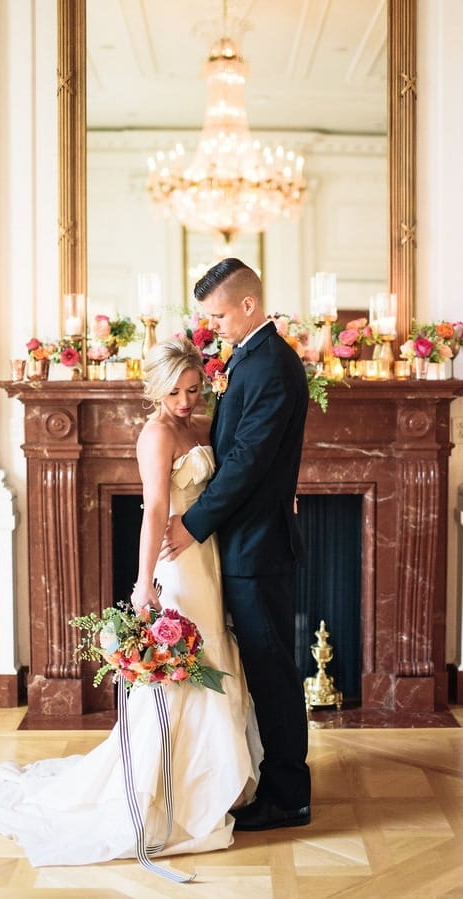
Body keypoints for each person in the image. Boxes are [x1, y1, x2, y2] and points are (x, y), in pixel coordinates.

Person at [0, 337, 261, 868]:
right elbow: (153, 513)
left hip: (208, 554)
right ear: (156, 389)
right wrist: (144, 581)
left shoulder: (198, 425)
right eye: (175, 392)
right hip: (177, 564)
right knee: (185, 671)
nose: (186, 401)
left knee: (215, 658)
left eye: (194, 390)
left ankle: (213, 782)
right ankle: (166, 792)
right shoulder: (156, 434)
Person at [161, 258, 311, 831]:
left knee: (272, 672)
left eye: (218, 314)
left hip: (258, 548)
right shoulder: (251, 358)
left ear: (249, 305)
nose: (213, 325)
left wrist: (193, 523)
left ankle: (288, 797)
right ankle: (266, 783)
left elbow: (247, 462)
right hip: (245, 543)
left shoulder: (271, 363)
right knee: (262, 667)